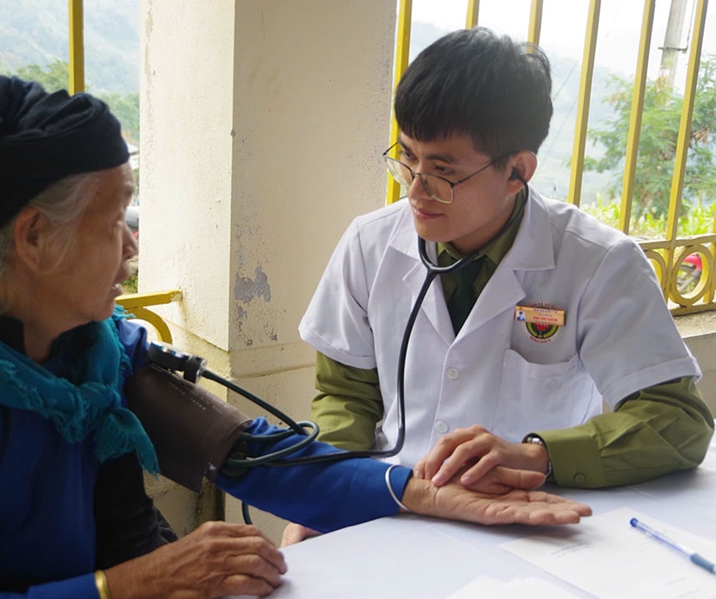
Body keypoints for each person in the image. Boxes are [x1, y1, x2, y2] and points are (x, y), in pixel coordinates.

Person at [0, 76, 590, 599]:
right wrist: (130, 584)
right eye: (114, 221)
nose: (133, 247)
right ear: (35, 238)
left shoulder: (91, 350)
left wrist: (425, 492)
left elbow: (252, 454)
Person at [292, 28, 713, 541]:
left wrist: (536, 455)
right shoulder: (369, 244)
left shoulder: (599, 263)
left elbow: (678, 421)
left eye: (442, 172)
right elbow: (345, 396)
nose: (416, 191)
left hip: (526, 523)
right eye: (407, 159)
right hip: (392, 507)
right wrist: (325, 498)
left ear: (517, 171)